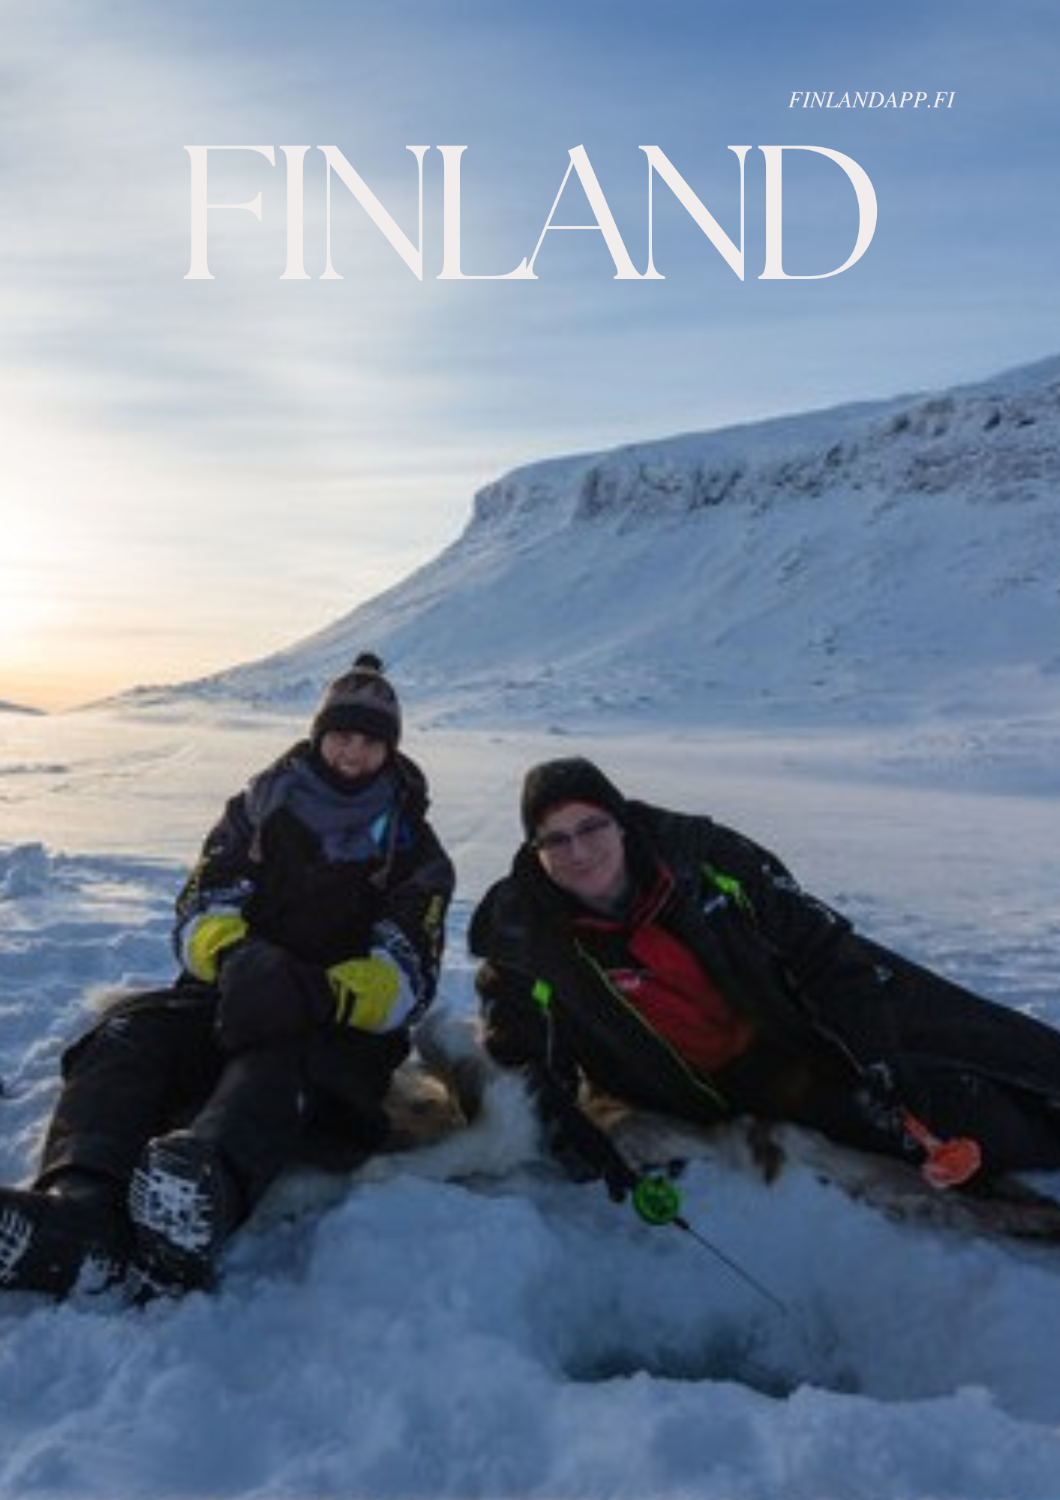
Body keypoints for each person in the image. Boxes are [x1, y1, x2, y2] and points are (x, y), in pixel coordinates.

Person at [0, 653, 454, 1299]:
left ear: (390, 750)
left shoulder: (415, 850)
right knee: (128, 1034)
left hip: (332, 1026)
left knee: (278, 1066)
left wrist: (317, 990)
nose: (353, 753)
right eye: (342, 735)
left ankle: (195, 1197)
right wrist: (238, 959)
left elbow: (408, 968)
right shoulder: (255, 813)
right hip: (226, 995)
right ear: (319, 735)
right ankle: (81, 1212)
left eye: (369, 742)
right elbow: (200, 907)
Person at [470, 756, 1060, 1200]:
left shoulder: (706, 860)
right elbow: (520, 1054)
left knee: (999, 1047)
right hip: (748, 1079)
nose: (578, 850)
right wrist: (579, 1138)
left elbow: (819, 946)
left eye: (591, 826)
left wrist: (874, 1057)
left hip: (814, 1005)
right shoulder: (528, 939)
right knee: (967, 1118)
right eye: (555, 839)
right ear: (536, 852)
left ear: (622, 823)